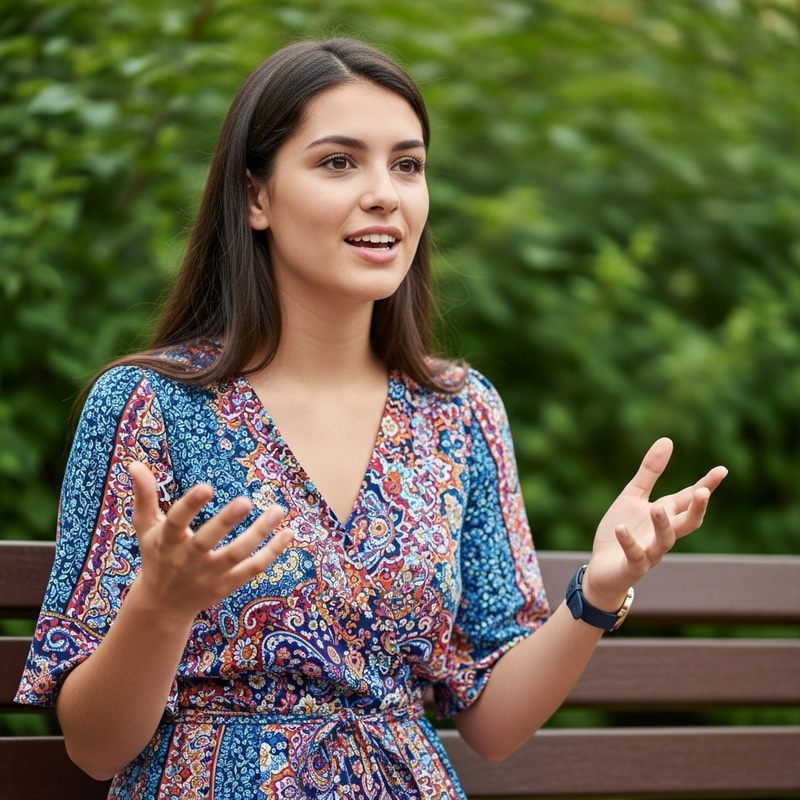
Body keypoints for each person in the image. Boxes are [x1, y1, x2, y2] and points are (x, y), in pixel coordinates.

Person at [16, 37, 727, 799]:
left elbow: (493, 722)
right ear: (256, 196)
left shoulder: (460, 413)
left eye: (407, 164)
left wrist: (596, 595)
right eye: (338, 161)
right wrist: (160, 607)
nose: (386, 193)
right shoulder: (148, 405)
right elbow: (93, 748)